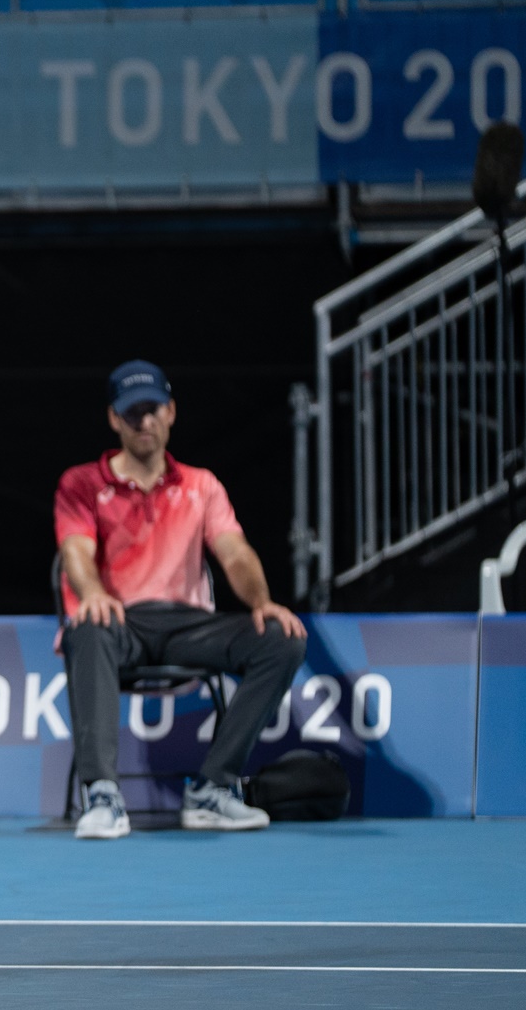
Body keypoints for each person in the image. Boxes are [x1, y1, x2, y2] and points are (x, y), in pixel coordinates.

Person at [54, 360, 307, 841]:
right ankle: (103, 794)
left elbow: (233, 551)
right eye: (132, 414)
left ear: (171, 412)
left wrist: (262, 602)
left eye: (152, 410)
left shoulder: (200, 485)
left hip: (189, 628)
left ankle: (213, 787)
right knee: (84, 626)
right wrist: (91, 595)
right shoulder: (82, 484)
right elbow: (76, 551)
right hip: (120, 622)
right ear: (114, 419)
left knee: (281, 640)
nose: (144, 422)